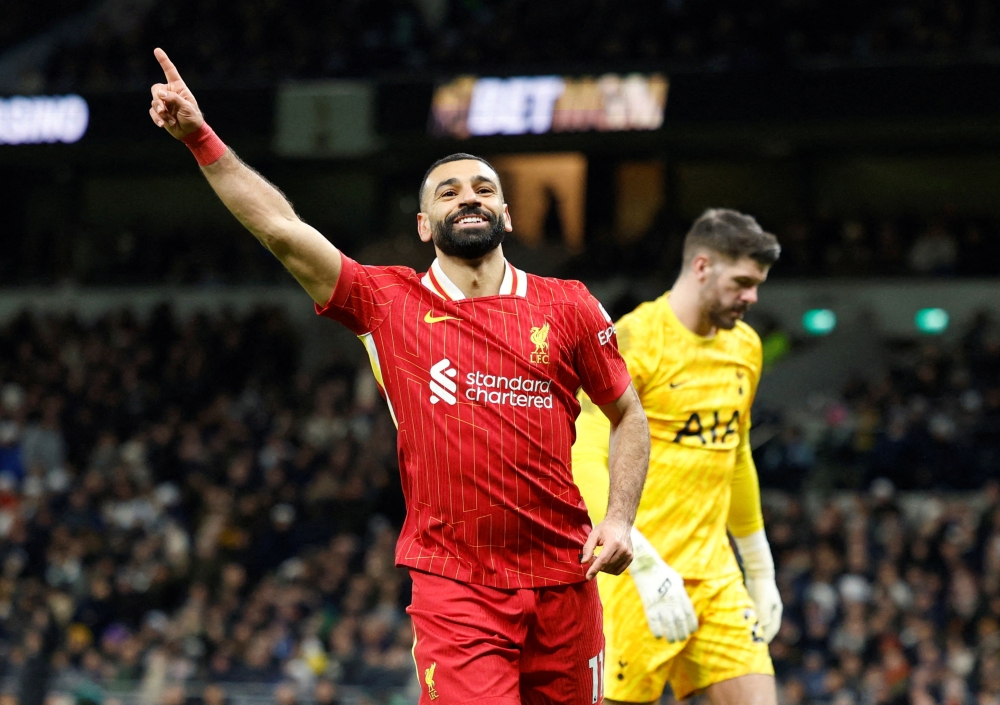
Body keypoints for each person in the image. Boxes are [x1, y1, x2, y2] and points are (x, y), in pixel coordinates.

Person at [147, 48, 650, 704]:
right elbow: (282, 230)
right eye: (449, 191)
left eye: (483, 189)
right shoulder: (388, 302)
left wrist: (620, 517)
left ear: (507, 214)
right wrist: (200, 137)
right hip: (458, 587)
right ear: (423, 224)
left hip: (565, 581)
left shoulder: (571, 304)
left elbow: (629, 416)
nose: (468, 197)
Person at [572, 209, 783, 705]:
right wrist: (640, 561)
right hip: (633, 574)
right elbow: (583, 453)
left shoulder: (746, 348)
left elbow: (735, 454)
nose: (752, 297)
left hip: (716, 578)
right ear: (703, 267)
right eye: (743, 282)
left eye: (758, 285)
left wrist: (760, 567)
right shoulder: (636, 339)